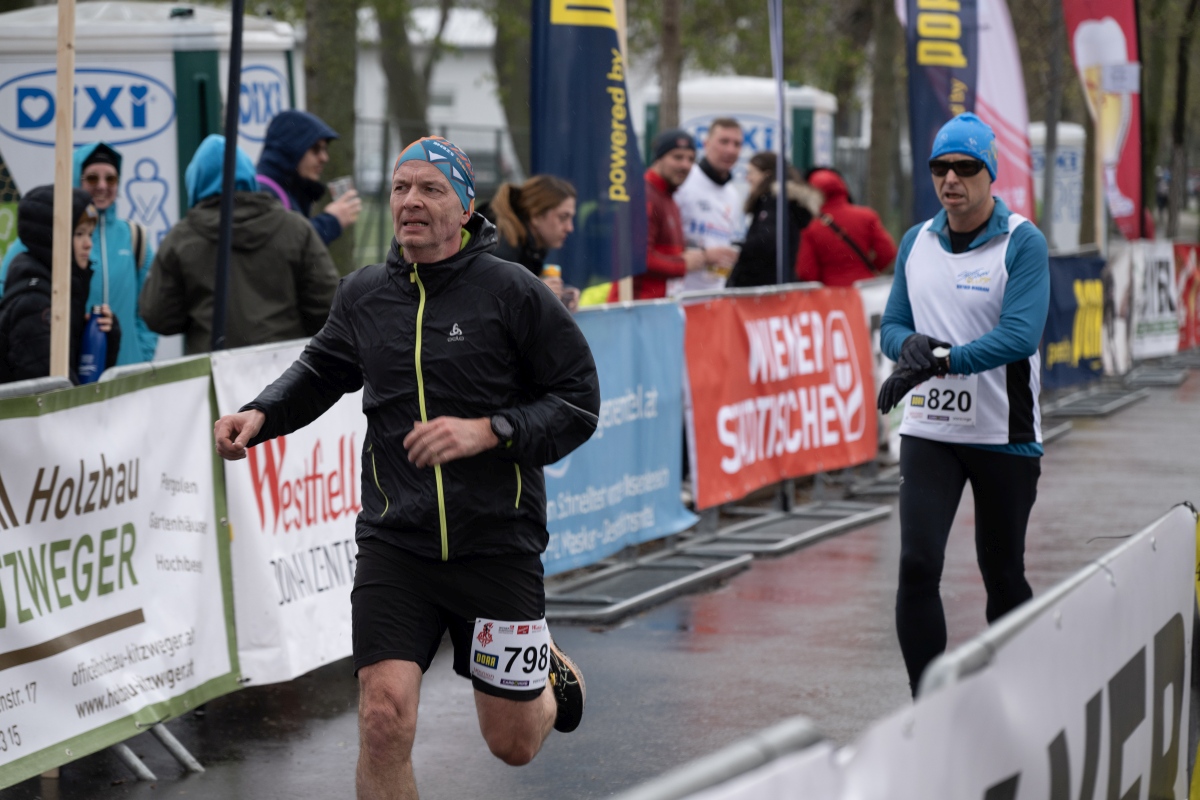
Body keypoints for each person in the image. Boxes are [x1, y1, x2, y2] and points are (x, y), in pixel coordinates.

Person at [212, 136, 598, 798]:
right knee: (383, 717)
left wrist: (490, 430)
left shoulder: (512, 291)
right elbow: (321, 369)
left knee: (512, 744)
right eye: (400, 187)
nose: (411, 201)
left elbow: (578, 403)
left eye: (430, 189)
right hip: (397, 541)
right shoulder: (364, 294)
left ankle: (549, 683)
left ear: (465, 207)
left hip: (496, 542)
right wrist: (261, 413)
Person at [876, 112, 1050, 696]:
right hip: (931, 429)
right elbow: (893, 326)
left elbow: (1019, 336)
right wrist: (909, 347)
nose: (950, 179)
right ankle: (929, 706)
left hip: (1004, 432)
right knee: (917, 565)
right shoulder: (916, 242)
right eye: (940, 167)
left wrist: (941, 360)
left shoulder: (1022, 242)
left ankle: (1019, 691)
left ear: (989, 172)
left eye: (965, 167)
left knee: (1002, 574)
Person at [139, 135, 339, 355]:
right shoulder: (295, 229)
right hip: (286, 366)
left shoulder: (181, 238)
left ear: (196, 183)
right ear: (249, 178)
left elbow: (158, 316)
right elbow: (328, 306)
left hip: (212, 369)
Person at [1, 142, 158, 366]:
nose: (102, 186)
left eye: (111, 179)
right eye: (92, 178)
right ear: (76, 179)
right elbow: (5, 293)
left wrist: (142, 353)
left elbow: (148, 307)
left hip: (127, 371)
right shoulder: (46, 234)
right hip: (72, 370)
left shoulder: (135, 237)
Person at [0, 186, 119, 384]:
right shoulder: (34, 301)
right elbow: (50, 387)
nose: (88, 244)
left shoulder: (64, 288)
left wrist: (105, 337)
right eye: (79, 234)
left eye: (90, 234)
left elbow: (81, 376)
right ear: (53, 238)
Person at [624, 129, 709, 300]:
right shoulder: (644, 194)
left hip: (659, 305)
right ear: (658, 158)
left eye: (691, 159)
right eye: (677, 157)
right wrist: (683, 264)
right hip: (637, 306)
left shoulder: (668, 196)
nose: (685, 165)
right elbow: (638, 257)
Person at [256, 110, 362, 246]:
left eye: (325, 149)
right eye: (315, 149)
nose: (324, 158)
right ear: (291, 150)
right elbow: (286, 245)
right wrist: (331, 221)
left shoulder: (287, 191)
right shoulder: (264, 193)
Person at [726, 152, 821, 288]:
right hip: (777, 285)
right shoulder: (786, 204)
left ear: (766, 175)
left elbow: (766, 242)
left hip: (762, 288)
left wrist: (739, 250)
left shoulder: (773, 203)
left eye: (751, 173)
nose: (748, 178)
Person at [485, 174, 580, 309]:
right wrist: (536, 291)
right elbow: (489, 302)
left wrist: (561, 293)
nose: (570, 228)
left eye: (571, 218)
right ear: (536, 216)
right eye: (563, 217)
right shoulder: (501, 246)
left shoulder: (531, 247)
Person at [672, 117, 742, 294]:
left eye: (737, 144)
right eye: (724, 141)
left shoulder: (732, 194)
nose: (730, 150)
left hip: (715, 295)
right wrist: (704, 255)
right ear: (706, 144)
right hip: (680, 294)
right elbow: (663, 243)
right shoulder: (685, 182)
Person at [795, 167, 897, 286]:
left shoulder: (811, 228)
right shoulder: (867, 216)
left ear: (814, 194)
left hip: (831, 291)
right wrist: (868, 270)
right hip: (864, 289)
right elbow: (887, 253)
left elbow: (806, 272)